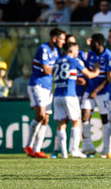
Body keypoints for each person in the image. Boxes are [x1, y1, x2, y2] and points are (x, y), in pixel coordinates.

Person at [24, 28, 66, 158]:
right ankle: (28, 145)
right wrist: (63, 71)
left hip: (48, 88)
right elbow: (47, 70)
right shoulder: (44, 48)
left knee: (45, 119)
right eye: (62, 39)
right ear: (55, 39)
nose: (63, 42)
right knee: (41, 115)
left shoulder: (56, 51)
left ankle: (37, 150)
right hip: (37, 85)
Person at [53, 42, 100, 159]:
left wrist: (75, 80)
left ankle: (63, 153)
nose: (77, 53)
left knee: (62, 123)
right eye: (76, 51)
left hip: (58, 94)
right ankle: (74, 150)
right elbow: (89, 75)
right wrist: (97, 71)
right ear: (72, 50)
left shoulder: (58, 61)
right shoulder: (74, 60)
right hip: (70, 95)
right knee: (76, 121)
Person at [81, 33, 111, 158]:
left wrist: (97, 90)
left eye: (92, 42)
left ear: (98, 43)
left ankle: (106, 149)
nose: (90, 44)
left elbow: (108, 77)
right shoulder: (91, 54)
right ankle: (89, 148)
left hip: (103, 92)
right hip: (89, 90)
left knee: (105, 120)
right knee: (84, 117)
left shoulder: (109, 55)